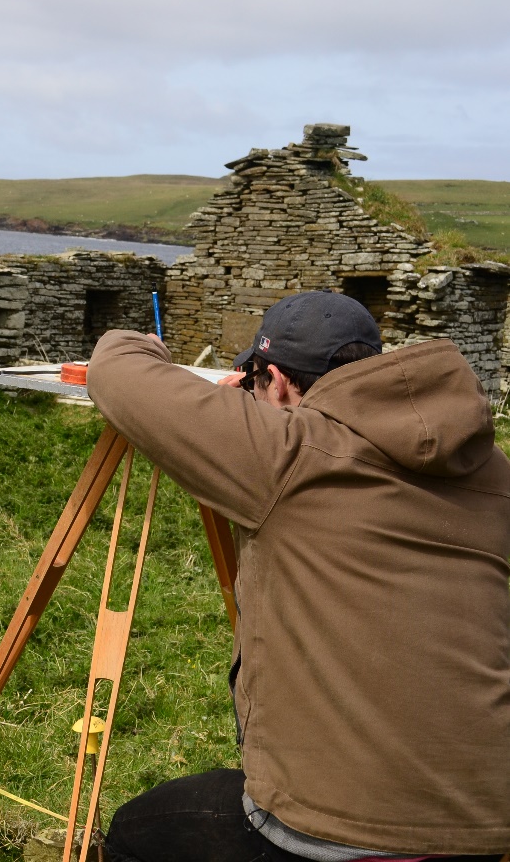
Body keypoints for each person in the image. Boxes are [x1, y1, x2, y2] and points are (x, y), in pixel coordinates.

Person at [85, 291, 510, 862]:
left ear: (278, 381)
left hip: (341, 826)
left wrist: (148, 345)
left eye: (255, 380)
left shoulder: (285, 454)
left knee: (137, 832)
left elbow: (115, 369)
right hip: (487, 821)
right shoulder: (492, 472)